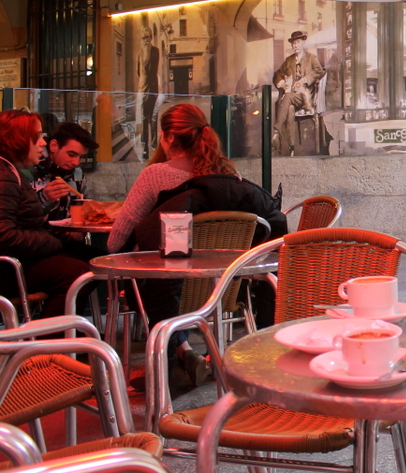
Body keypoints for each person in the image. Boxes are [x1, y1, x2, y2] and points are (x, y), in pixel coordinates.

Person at [108, 103, 248, 385]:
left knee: (137, 282)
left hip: (164, 290)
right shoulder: (231, 178)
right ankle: (185, 352)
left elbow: (115, 241)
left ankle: (173, 357)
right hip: (219, 289)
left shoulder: (155, 175)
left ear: (169, 137)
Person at [0, 110, 93, 320]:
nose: (43, 143)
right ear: (19, 140)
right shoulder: (6, 175)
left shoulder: (10, 171)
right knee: (78, 272)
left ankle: (63, 337)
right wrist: (52, 241)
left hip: (21, 257)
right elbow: (4, 236)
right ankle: (47, 344)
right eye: (38, 136)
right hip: (9, 266)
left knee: (93, 259)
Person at [32, 122, 98, 221]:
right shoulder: (30, 169)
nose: (76, 162)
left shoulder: (77, 173)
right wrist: (44, 198)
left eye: (81, 157)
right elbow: (21, 216)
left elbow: (84, 208)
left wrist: (80, 226)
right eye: (71, 155)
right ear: (53, 146)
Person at [272, 31, 324, 156]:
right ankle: (291, 148)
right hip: (292, 97)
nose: (295, 46)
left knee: (288, 98)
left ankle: (276, 131)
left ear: (303, 43)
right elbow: (277, 74)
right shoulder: (289, 60)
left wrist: (305, 80)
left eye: (298, 42)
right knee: (289, 108)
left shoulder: (311, 58)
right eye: (293, 43)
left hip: (305, 98)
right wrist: (280, 83)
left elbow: (319, 71)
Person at [137, 29, 159, 158]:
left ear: (151, 38)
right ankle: (144, 147)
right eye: (144, 37)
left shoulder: (155, 51)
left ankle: (154, 144)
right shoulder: (139, 53)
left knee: (153, 117)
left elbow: (153, 69)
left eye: (148, 37)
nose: (146, 39)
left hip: (153, 88)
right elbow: (138, 72)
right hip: (143, 88)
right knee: (144, 119)